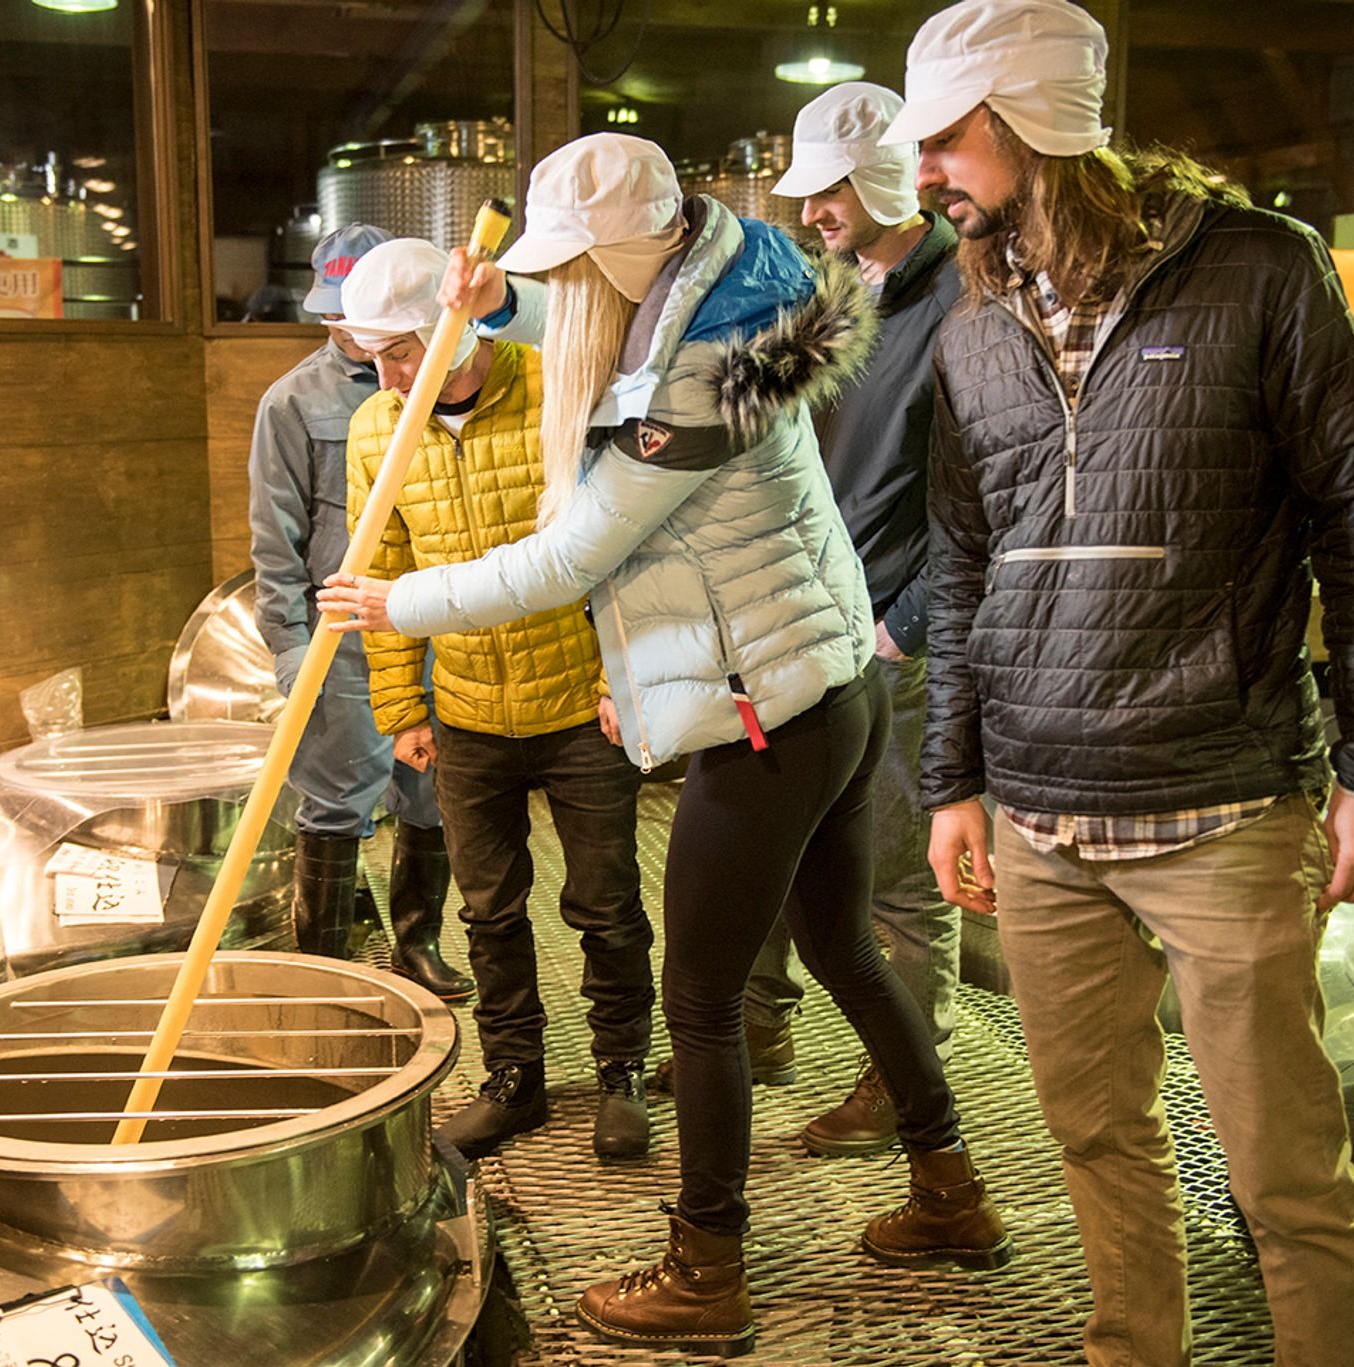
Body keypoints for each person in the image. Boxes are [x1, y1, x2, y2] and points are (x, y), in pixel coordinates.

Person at [321, 133, 1014, 1358]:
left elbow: (568, 558)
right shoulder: (729, 283)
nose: (566, 288)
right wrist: (508, 301)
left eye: (569, 266)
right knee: (844, 946)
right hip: (826, 685)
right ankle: (949, 1186)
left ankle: (707, 1264)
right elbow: (606, 324)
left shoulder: (693, 388)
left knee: (693, 999)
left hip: (765, 720)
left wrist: (396, 603)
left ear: (625, 250)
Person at [893, 3, 1354, 1365]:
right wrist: (953, 779)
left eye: (947, 138)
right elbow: (964, 567)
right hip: (1037, 810)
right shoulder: (972, 326)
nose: (923, 176)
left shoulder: (1261, 271)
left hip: (1224, 799)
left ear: (1034, 122)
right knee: (1091, 1134)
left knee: (1287, 1177)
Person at [652, 79, 969, 1160]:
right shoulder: (827, 292)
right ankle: (755, 1026)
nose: (813, 208)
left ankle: (896, 1084)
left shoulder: (958, 300)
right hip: (791, 611)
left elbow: (980, 491)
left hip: (882, 628)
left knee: (889, 886)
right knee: (778, 852)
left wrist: (907, 621)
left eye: (830, 187)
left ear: (882, 177)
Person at [334, 238, 656, 1164]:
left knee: (606, 902)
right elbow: (379, 571)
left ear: (465, 322)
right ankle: (514, 1076)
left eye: (405, 349)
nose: (393, 375)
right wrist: (401, 704)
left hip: (578, 700)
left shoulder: (559, 384)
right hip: (468, 707)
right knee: (489, 908)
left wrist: (617, 681)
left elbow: (625, 546)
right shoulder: (377, 429)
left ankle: (620, 1070)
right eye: (377, 357)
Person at [247, 223, 471, 1000]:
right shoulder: (291, 403)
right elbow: (274, 544)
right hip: (339, 637)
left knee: (431, 789)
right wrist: (287, 653)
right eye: (338, 314)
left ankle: (418, 945)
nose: (350, 331)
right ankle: (326, 968)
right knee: (335, 799)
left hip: (429, 619)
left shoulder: (445, 385)